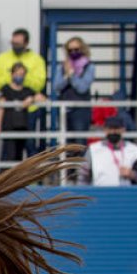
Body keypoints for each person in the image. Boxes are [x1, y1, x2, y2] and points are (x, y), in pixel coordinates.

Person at [53, 36, 96, 180]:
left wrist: (71, 75)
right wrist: (66, 75)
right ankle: (68, 177)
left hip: (81, 111)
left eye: (76, 49)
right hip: (66, 111)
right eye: (70, 50)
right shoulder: (63, 66)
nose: (73, 52)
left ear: (82, 49)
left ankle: (81, 177)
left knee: (79, 144)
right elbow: (56, 86)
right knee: (67, 145)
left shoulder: (89, 66)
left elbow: (83, 87)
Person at [0, 62, 45, 167]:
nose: (20, 77)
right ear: (12, 74)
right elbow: (1, 107)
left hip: (22, 127)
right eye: (17, 74)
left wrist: (32, 99)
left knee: (18, 158)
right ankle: (5, 181)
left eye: (22, 74)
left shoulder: (27, 90)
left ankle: (16, 181)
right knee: (8, 156)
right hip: (9, 127)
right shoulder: (6, 89)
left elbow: (42, 98)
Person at [84, 116, 137, 186]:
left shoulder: (135, 151)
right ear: (105, 130)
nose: (113, 132)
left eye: (116, 128)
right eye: (110, 129)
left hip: (128, 195)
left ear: (123, 130)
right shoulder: (93, 150)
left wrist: (132, 174)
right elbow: (82, 176)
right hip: (100, 194)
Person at [0, 28, 47, 96]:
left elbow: (40, 83)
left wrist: (23, 80)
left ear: (26, 43)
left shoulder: (37, 60)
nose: (15, 46)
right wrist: (12, 80)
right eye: (13, 43)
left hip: (29, 103)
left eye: (18, 44)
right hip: (7, 102)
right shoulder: (2, 58)